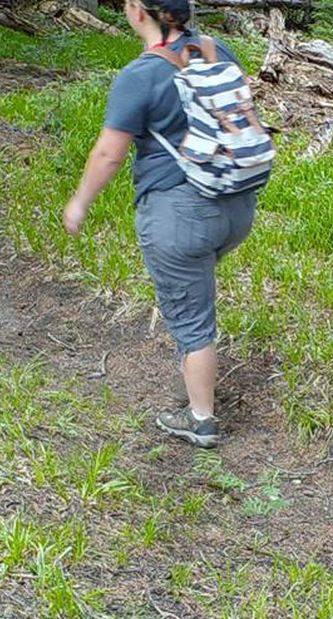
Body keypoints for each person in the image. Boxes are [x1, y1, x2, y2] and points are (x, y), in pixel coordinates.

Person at [63, 0, 258, 448]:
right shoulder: (216, 49)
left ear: (138, 12)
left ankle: (201, 419)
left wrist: (79, 204)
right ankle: (197, 366)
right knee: (194, 283)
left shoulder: (139, 75)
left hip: (181, 214)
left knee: (192, 318)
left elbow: (109, 153)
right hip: (236, 204)